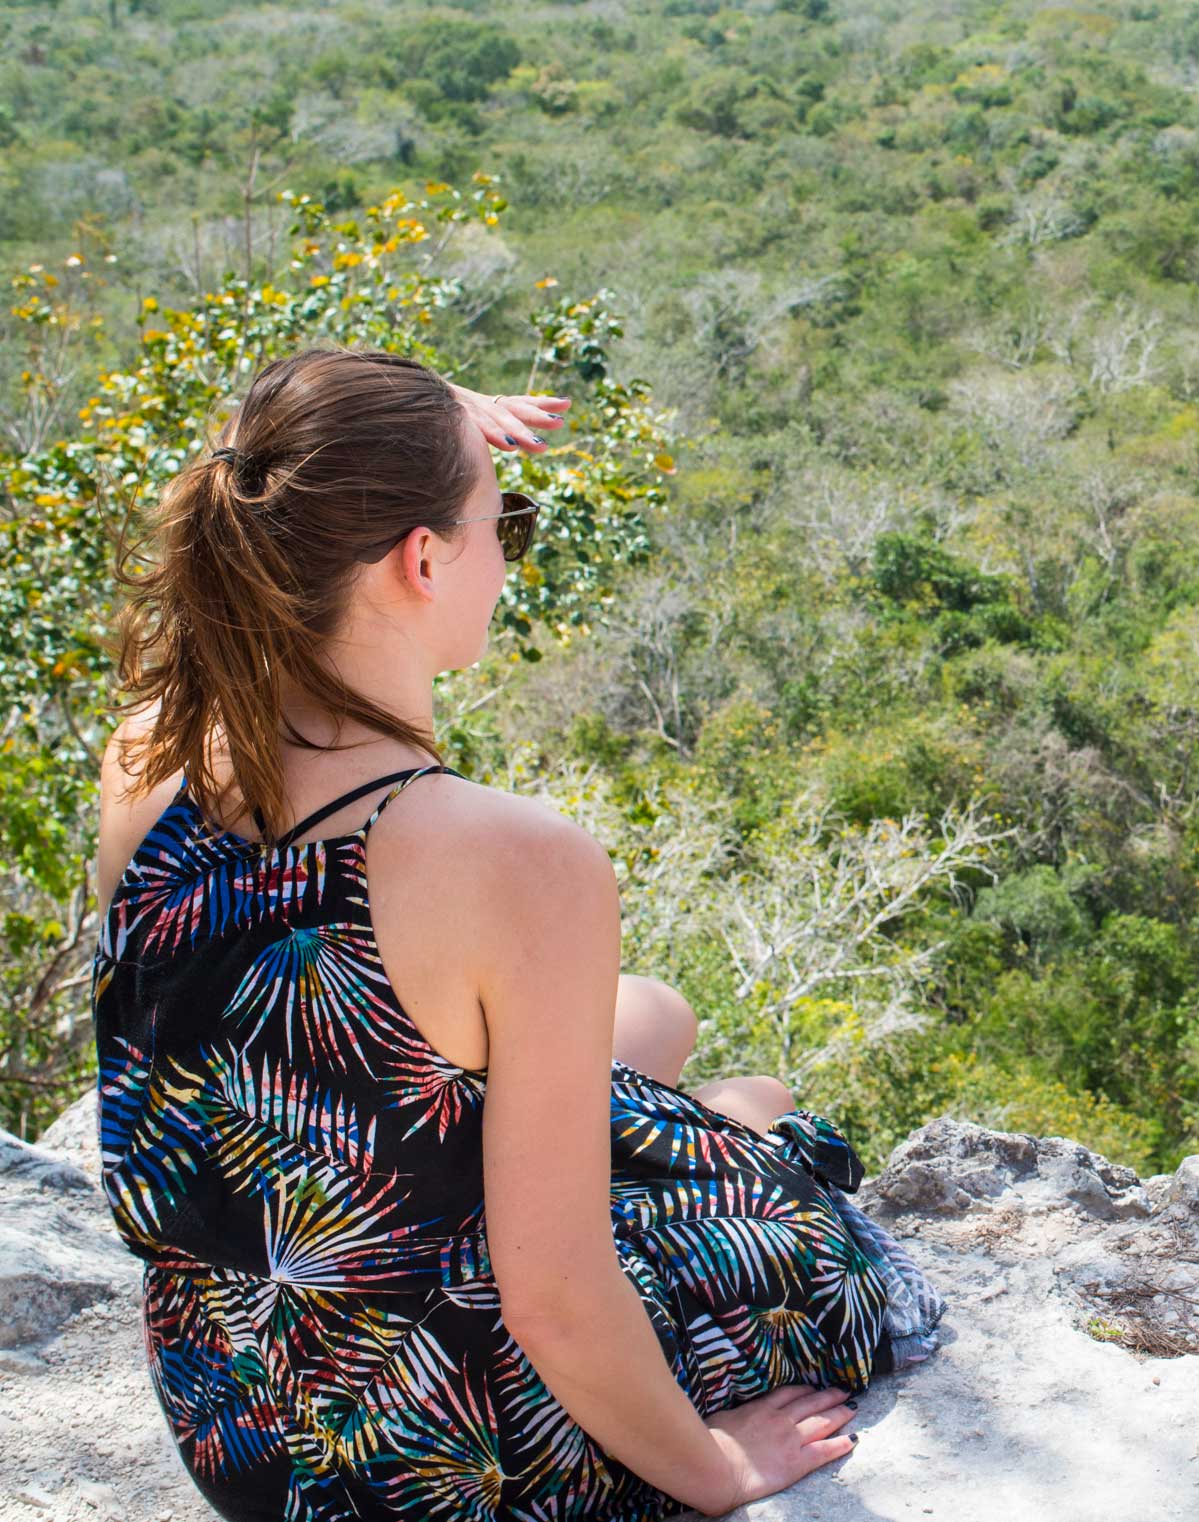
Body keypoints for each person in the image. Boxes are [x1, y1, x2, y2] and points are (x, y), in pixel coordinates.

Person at [85, 344, 945, 1521]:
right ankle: (757, 1129)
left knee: (656, 1018)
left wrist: (418, 425)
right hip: (448, 1450)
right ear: (423, 557)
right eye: (507, 523)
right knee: (787, 1170)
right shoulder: (514, 864)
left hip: (237, 1408)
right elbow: (552, 1295)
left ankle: (735, 1118)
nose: (510, 558)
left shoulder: (155, 748)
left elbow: (260, 470)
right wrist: (713, 1467)